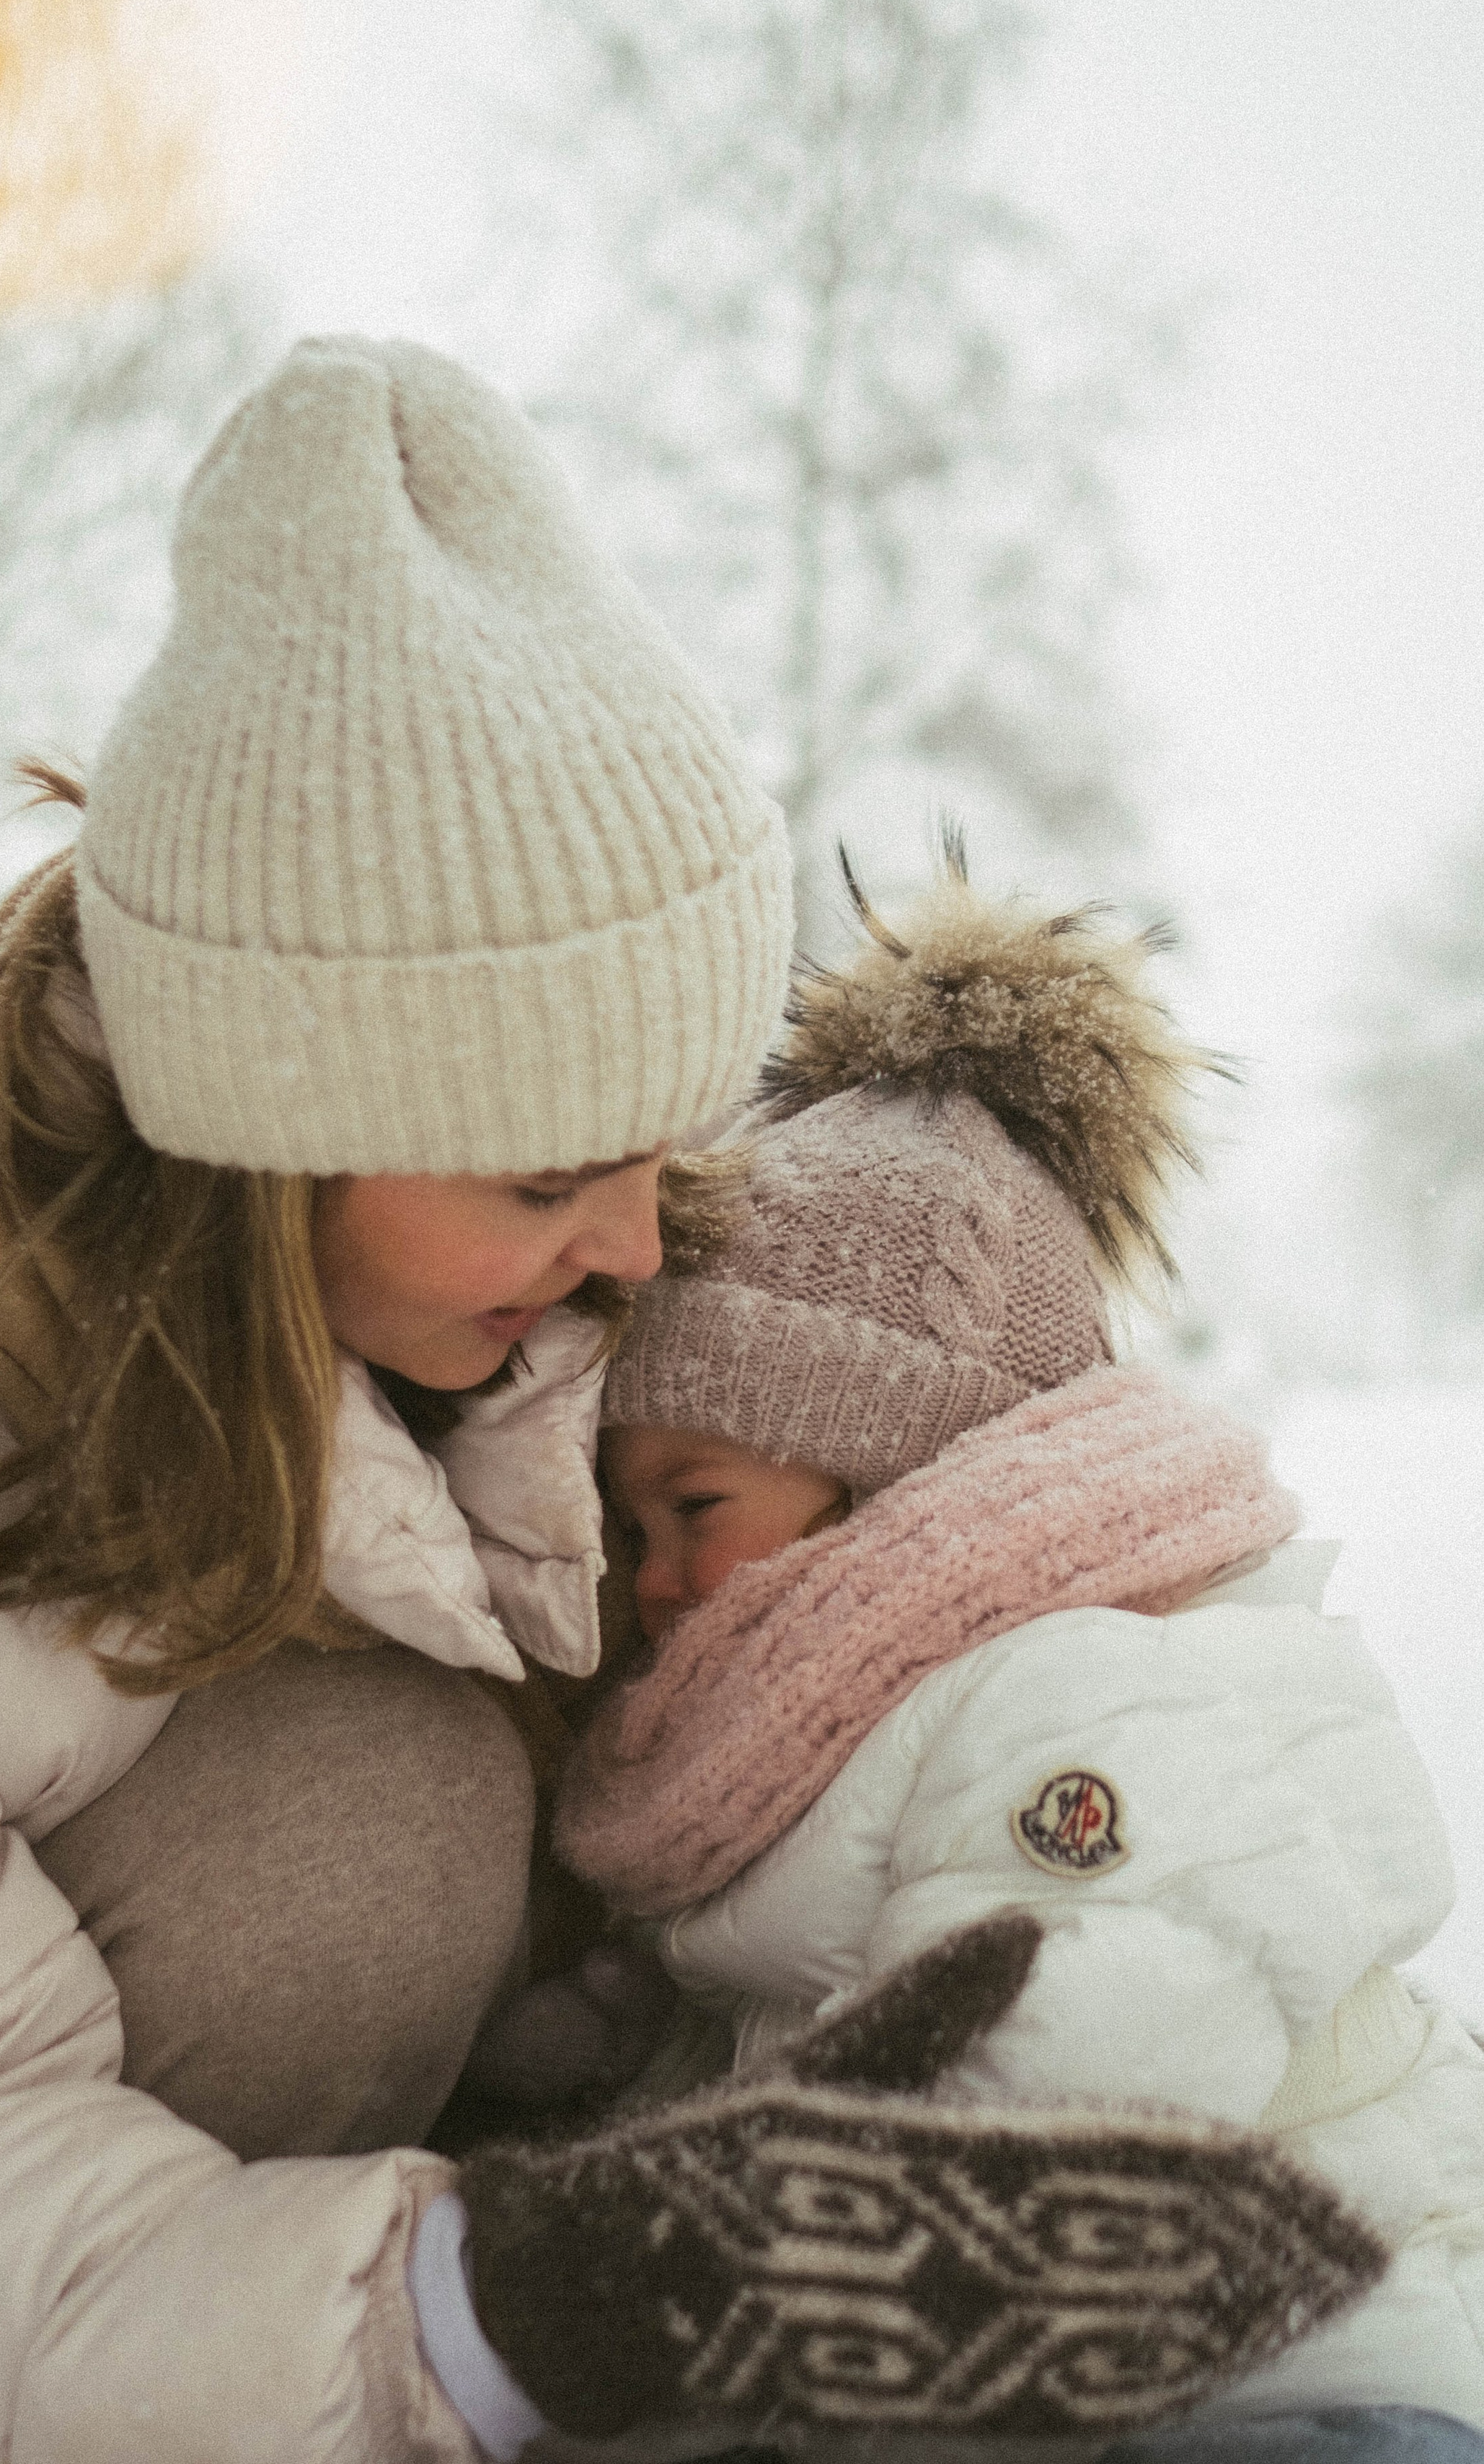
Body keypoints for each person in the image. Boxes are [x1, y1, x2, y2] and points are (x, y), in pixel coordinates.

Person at [0, 339, 1413, 2464]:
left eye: (662, 1159)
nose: (642, 1251)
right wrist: (508, 2312)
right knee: (368, 1834)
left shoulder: (476, 1258)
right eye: (555, 1181)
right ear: (282, 1141)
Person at [536, 854, 1484, 2438]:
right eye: (630, 1531)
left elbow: (1041, 2121)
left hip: (1297, 2386)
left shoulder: (1081, 1696)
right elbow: (772, 2016)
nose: (654, 1579)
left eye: (694, 1503)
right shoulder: (837, 1729)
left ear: (899, 1468)